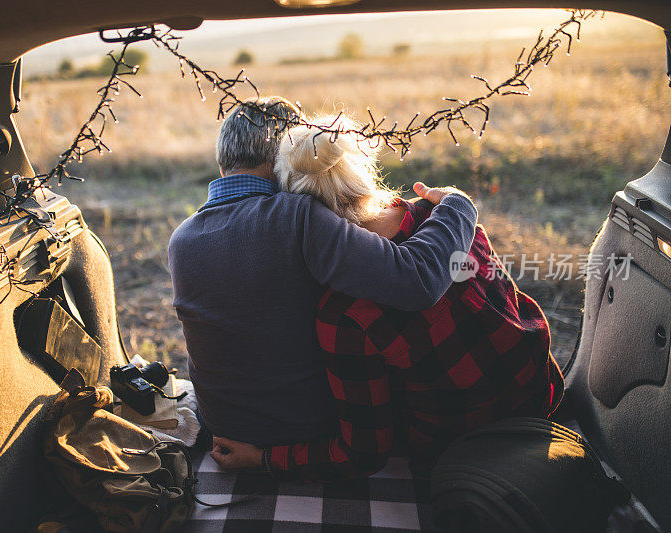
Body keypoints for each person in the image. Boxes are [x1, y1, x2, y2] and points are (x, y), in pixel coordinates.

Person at [209, 116, 564, 479]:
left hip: (463, 454)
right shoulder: (441, 217)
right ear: (362, 169)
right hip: (540, 395)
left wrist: (263, 459)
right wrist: (456, 202)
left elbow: (363, 453)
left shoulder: (341, 313)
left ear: (292, 203)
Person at [168, 97, 478, 450]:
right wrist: (458, 204)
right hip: (309, 432)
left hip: (223, 426)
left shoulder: (181, 238)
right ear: (288, 157)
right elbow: (417, 281)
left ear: (222, 162)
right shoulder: (295, 217)